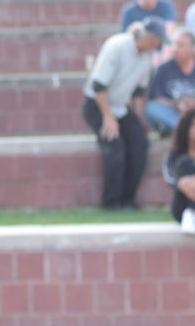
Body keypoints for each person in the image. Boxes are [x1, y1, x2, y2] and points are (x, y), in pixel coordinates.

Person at [81, 17, 168, 210]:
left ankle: (128, 200)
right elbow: (98, 85)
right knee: (115, 148)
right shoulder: (117, 45)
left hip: (120, 106)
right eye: (157, 40)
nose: (159, 44)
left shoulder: (147, 56)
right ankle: (111, 202)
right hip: (98, 104)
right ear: (149, 37)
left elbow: (138, 92)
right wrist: (108, 116)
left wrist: (138, 120)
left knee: (140, 144)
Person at [145, 30, 195, 135]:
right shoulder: (163, 69)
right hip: (174, 112)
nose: (175, 49)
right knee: (151, 108)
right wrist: (176, 104)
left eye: (180, 45)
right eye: (173, 44)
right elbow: (156, 98)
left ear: (193, 48)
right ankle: (183, 129)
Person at [162, 107, 195, 234]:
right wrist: (182, 183)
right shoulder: (176, 153)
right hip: (183, 208)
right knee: (185, 163)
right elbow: (168, 175)